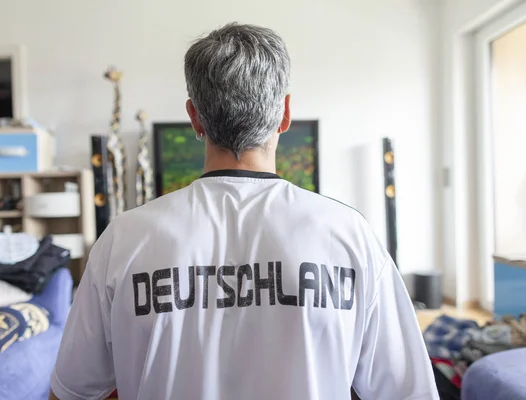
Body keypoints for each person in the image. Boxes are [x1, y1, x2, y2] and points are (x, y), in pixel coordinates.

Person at [49, 23, 438, 400]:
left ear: (195, 118)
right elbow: (407, 391)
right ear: (285, 114)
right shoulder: (350, 234)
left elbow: (71, 391)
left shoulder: (123, 238)